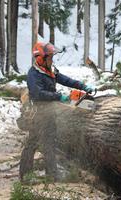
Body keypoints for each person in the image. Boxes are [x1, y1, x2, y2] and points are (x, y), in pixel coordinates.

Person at [19, 41, 94, 182]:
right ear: (41, 58)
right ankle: (25, 176)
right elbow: (38, 94)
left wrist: (81, 85)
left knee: (49, 143)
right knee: (32, 143)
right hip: (39, 113)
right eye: (50, 57)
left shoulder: (50, 70)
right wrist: (59, 96)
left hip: (49, 112)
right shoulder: (34, 74)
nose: (52, 59)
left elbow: (64, 79)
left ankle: (52, 174)